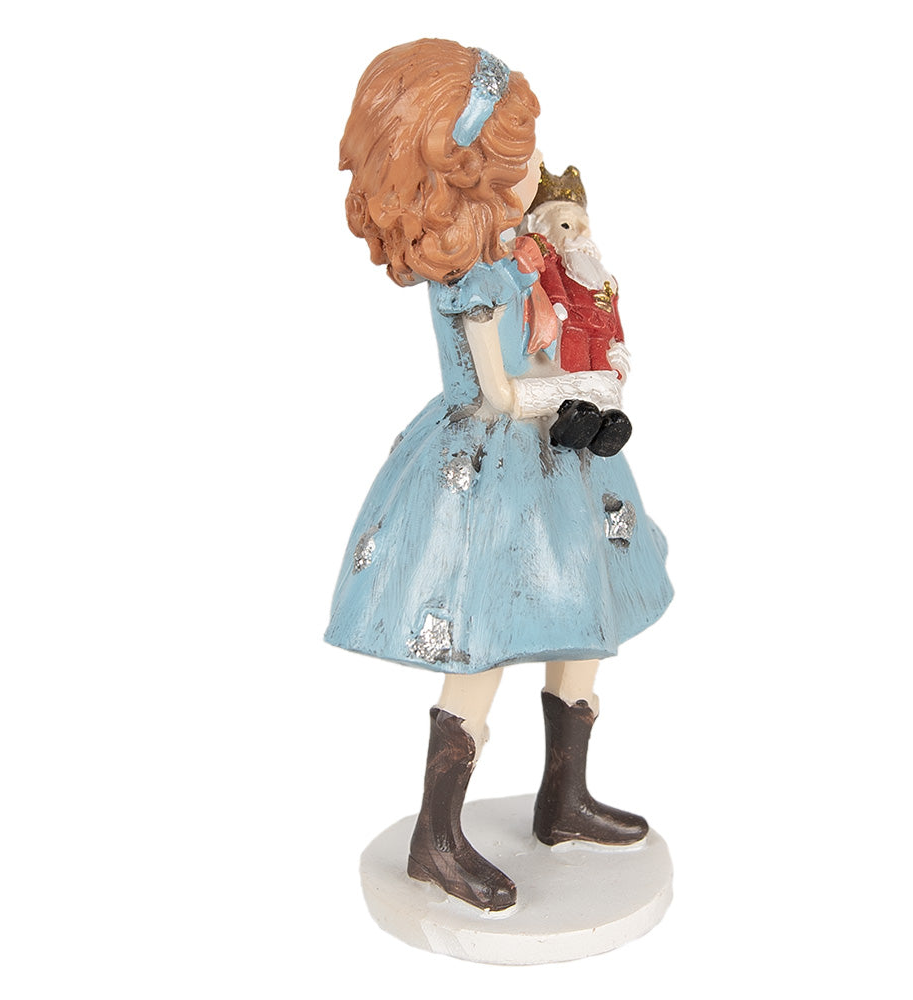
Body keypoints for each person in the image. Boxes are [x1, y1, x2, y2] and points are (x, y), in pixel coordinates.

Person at [327, 39, 673, 912]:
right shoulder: (471, 284)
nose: (539, 170)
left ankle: (564, 797)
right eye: (519, 162)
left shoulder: (525, 253)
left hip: (558, 452)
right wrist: (574, 391)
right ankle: (435, 835)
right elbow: (499, 391)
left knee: (582, 621)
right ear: (467, 181)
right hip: (494, 462)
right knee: (481, 639)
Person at [522, 164, 634, 456]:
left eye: (583, 227)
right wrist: (558, 305)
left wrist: (618, 342)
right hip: (573, 327)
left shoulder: (604, 277)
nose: (580, 236)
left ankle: (608, 424)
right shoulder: (556, 261)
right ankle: (572, 421)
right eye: (566, 225)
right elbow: (551, 282)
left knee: (603, 374)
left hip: (601, 335)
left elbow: (614, 311)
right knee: (573, 370)